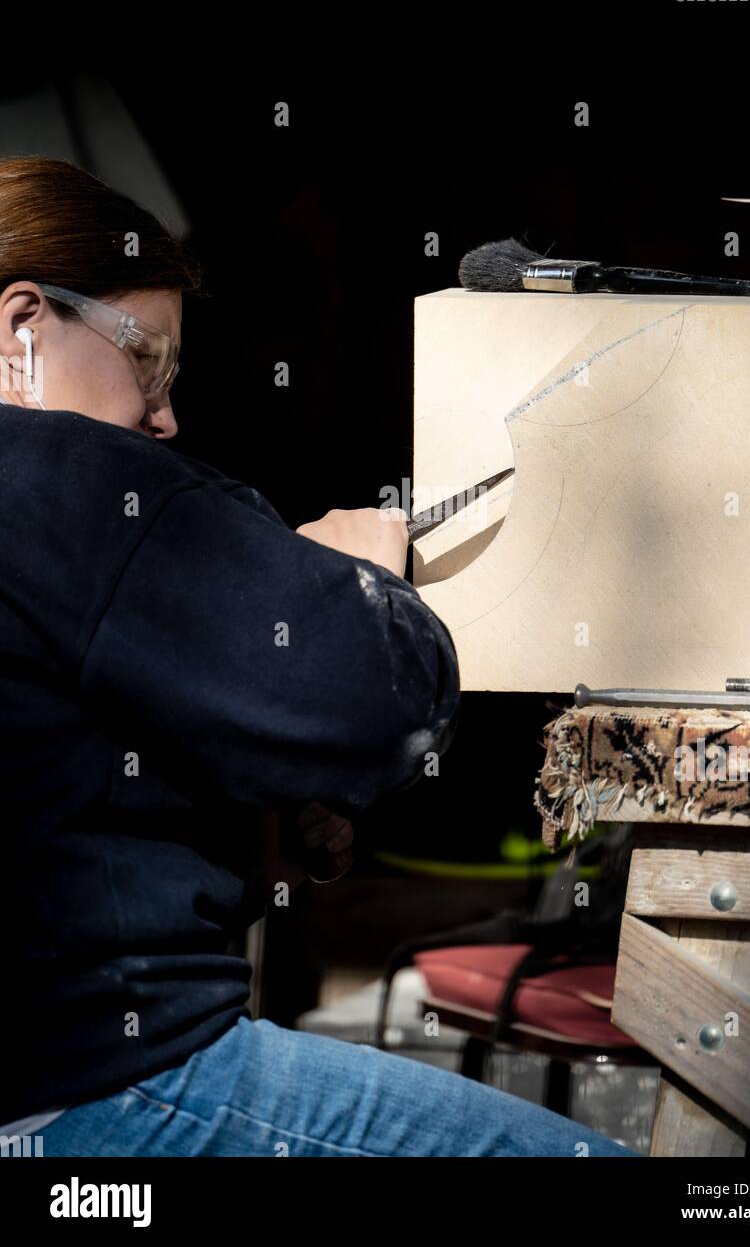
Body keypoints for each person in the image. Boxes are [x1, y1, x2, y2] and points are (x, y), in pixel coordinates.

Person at [0, 155, 638, 1157]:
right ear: (23, 329)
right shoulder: (56, 471)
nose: (164, 416)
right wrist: (360, 584)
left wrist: (242, 828)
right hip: (102, 1088)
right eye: (148, 360)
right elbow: (376, 704)